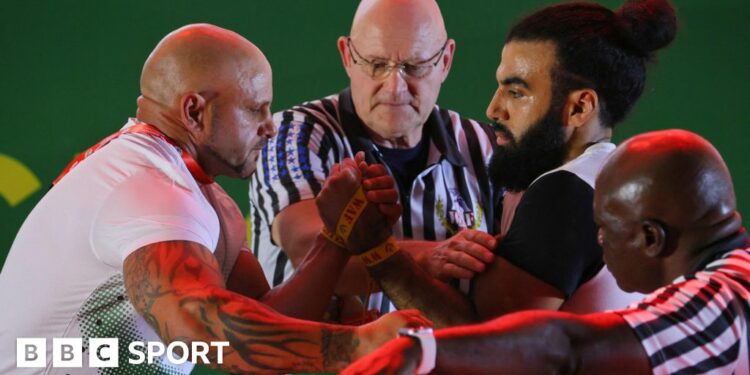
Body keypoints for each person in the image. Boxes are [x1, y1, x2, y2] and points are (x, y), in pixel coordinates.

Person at [0, 24, 428, 374]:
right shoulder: (146, 184)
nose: (270, 127)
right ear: (194, 112)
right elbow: (195, 329)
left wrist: (336, 239)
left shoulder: (203, 199)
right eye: (255, 109)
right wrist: (354, 345)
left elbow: (266, 318)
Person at [338, 0, 679, 328]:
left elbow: (485, 349)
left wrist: (377, 251)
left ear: (579, 108)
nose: (493, 109)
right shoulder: (609, 178)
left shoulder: (565, 192)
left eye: (516, 92)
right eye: (499, 86)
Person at [343, 129, 750, 375]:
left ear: (650, 239)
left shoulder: (720, 305)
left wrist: (421, 351)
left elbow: (568, 347)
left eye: (606, 228)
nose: (601, 241)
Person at [248, 0, 498, 316]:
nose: (394, 88)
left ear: (446, 60)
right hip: (320, 363)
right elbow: (304, 246)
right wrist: (427, 256)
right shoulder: (297, 132)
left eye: (415, 66)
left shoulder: (485, 147)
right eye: (376, 64)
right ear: (347, 57)